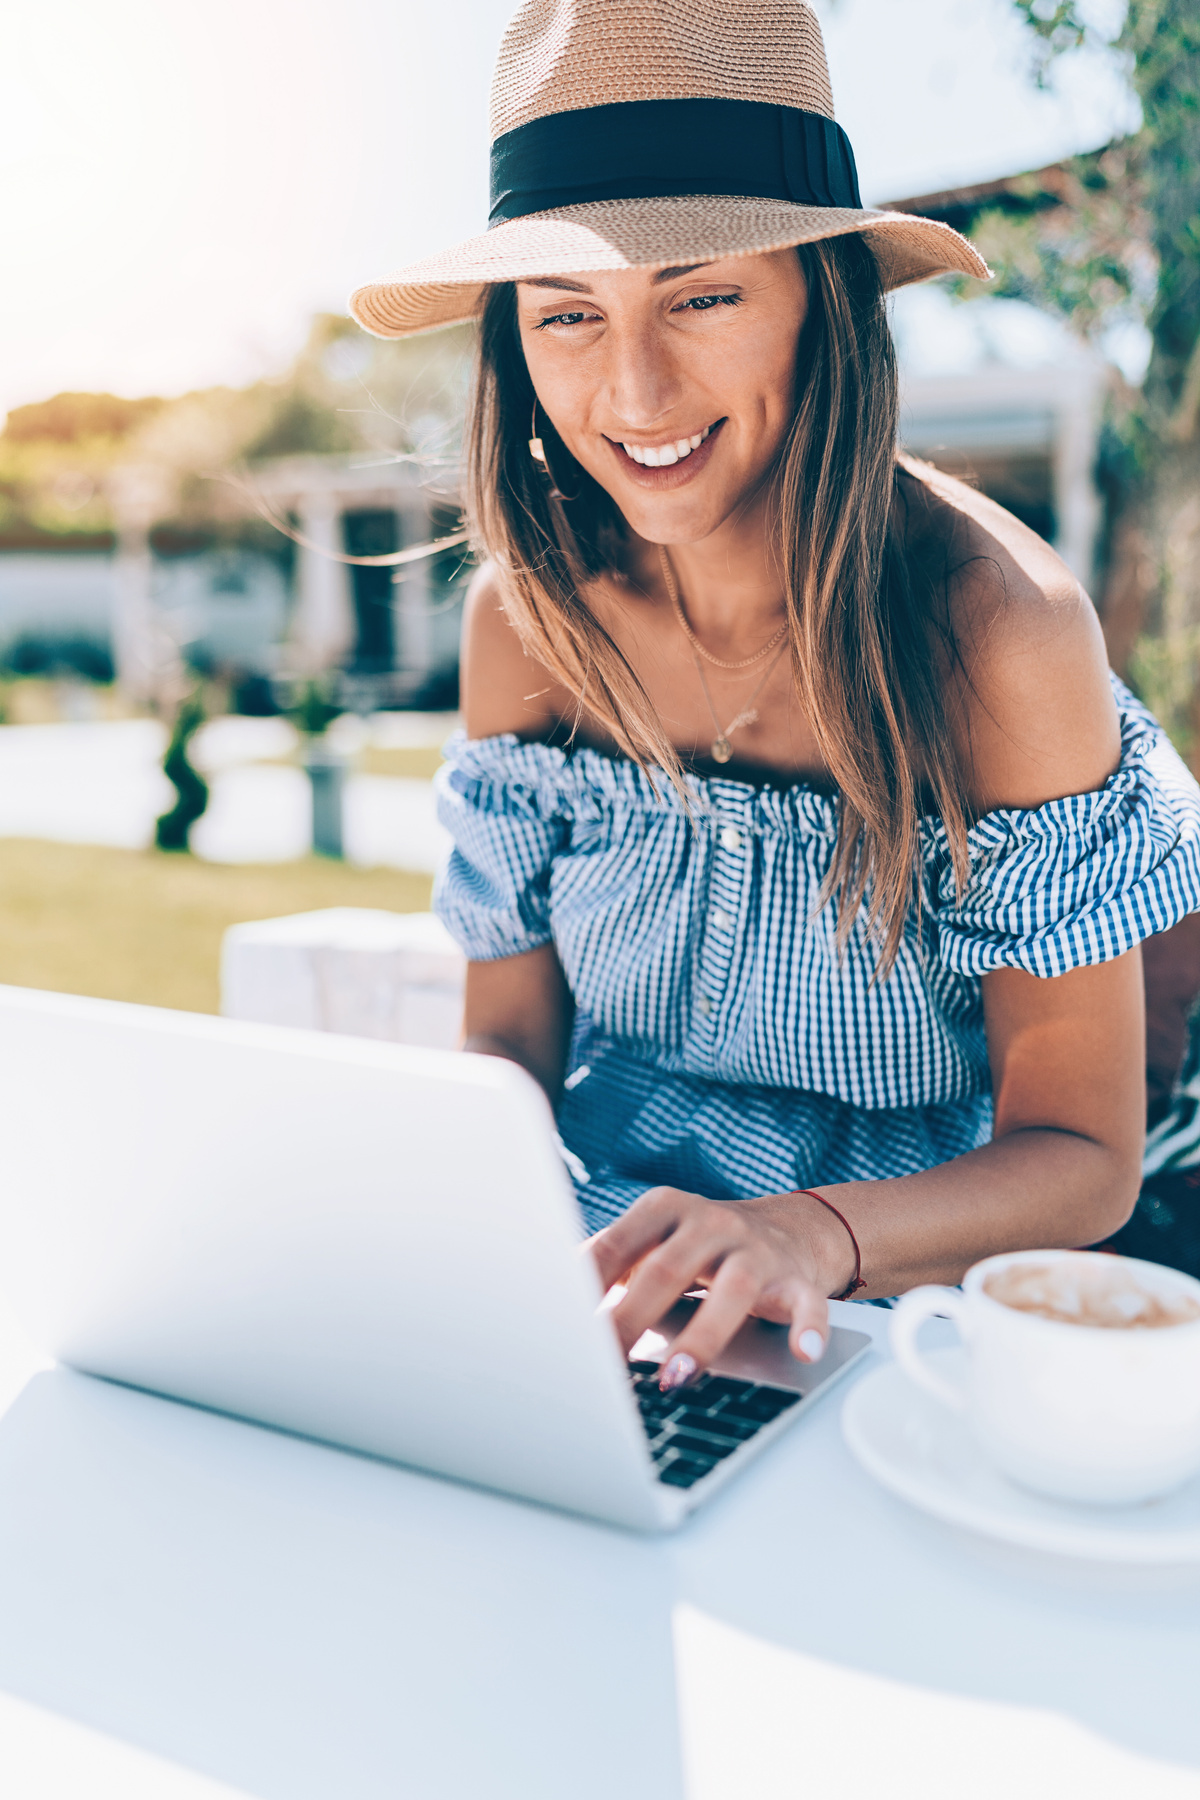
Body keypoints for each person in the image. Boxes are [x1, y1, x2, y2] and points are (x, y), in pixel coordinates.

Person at [350, 0, 1200, 1390]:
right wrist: (482, 1221)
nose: (634, 388)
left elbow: (1084, 1164)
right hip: (601, 1291)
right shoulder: (531, 624)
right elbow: (506, 1043)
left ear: (824, 292)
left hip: (905, 1314)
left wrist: (799, 1238)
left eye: (701, 294)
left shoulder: (1000, 634)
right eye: (569, 315)